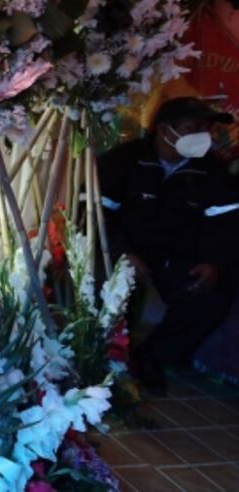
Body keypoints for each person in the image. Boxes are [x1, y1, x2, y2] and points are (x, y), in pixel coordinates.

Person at [98, 97, 239, 392]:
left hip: (176, 257)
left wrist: (213, 262)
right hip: (121, 251)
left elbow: (226, 224)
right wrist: (123, 252)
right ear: (165, 130)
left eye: (207, 128)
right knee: (96, 285)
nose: (204, 135)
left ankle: (151, 357)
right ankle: (95, 357)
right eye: (194, 127)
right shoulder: (124, 159)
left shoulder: (211, 171)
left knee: (210, 300)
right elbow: (97, 213)